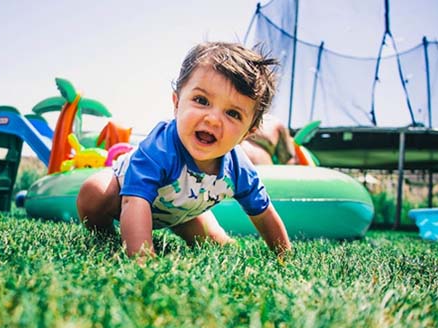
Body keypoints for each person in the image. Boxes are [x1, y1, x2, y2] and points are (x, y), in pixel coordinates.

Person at [76, 41, 291, 258]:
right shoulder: (161, 147)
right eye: (201, 100)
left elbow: (264, 213)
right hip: (126, 195)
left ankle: (207, 234)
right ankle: (105, 235)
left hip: (183, 211)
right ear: (177, 103)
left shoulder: (238, 167)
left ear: (247, 133)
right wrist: (142, 259)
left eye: (233, 114)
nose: (213, 119)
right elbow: (134, 200)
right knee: (94, 193)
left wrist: (285, 256)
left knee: (218, 246)